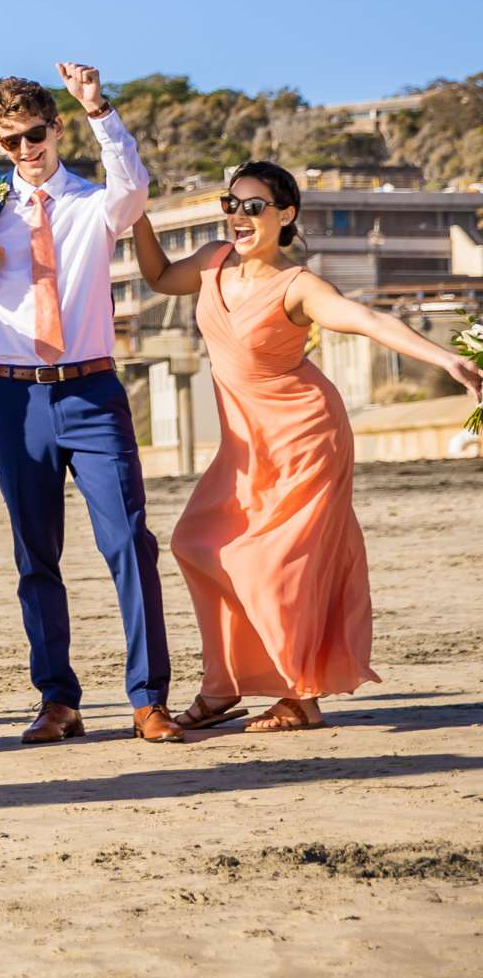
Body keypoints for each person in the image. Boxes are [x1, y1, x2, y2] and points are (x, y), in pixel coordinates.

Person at [131, 161, 482, 733]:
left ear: (285, 214)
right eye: (231, 203)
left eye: (254, 206)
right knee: (195, 543)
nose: (238, 216)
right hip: (246, 444)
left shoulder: (298, 285)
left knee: (276, 566)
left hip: (303, 435)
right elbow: (159, 278)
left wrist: (445, 358)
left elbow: (365, 319)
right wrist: (135, 209)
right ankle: (225, 684)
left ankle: (299, 696)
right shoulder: (212, 261)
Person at [0, 66, 182, 743]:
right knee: (35, 554)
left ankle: (148, 699)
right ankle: (57, 700)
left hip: (92, 391)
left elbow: (134, 189)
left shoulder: (96, 203)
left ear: (57, 128)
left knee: (128, 541)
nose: (24, 150)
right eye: (9, 141)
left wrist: (101, 111)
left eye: (34, 134)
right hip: (12, 399)